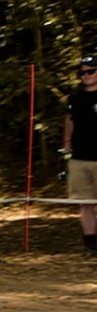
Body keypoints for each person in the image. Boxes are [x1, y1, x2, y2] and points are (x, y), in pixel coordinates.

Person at [63, 54, 97, 255]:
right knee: (85, 204)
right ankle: (90, 244)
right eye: (83, 72)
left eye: (91, 71)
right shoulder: (75, 98)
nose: (86, 75)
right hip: (79, 158)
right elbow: (69, 119)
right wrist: (67, 142)